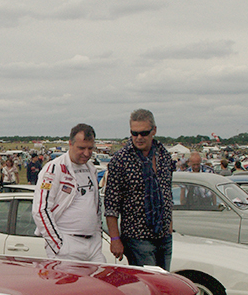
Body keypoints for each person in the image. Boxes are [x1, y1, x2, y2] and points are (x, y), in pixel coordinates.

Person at [104, 108, 175, 269]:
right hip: (137, 236)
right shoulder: (121, 160)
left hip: (163, 235)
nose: (139, 138)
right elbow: (111, 204)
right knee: (149, 285)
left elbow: (167, 192)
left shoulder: (164, 155)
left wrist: (169, 224)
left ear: (154, 131)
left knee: (164, 284)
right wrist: (115, 239)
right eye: (134, 133)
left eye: (144, 133)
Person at [32, 124, 103, 262]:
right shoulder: (54, 168)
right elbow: (40, 210)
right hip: (67, 243)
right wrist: (58, 245)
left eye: (90, 148)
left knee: (99, 282)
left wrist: (98, 235)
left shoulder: (91, 168)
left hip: (93, 245)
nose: (87, 153)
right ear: (70, 144)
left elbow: (96, 206)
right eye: (81, 148)